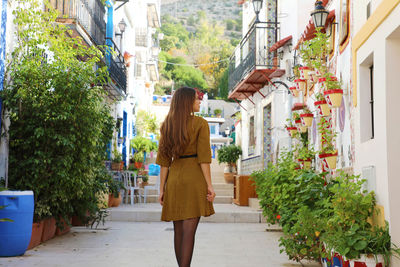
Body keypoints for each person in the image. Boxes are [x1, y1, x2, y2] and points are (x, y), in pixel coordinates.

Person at [156, 87, 216, 267]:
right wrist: (210, 186)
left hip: (174, 178)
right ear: (187, 102)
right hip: (194, 178)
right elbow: (204, 158)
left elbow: (163, 161)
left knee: (178, 231)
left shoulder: (167, 125)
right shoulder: (200, 123)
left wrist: (162, 189)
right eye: (197, 99)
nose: (199, 102)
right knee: (189, 232)